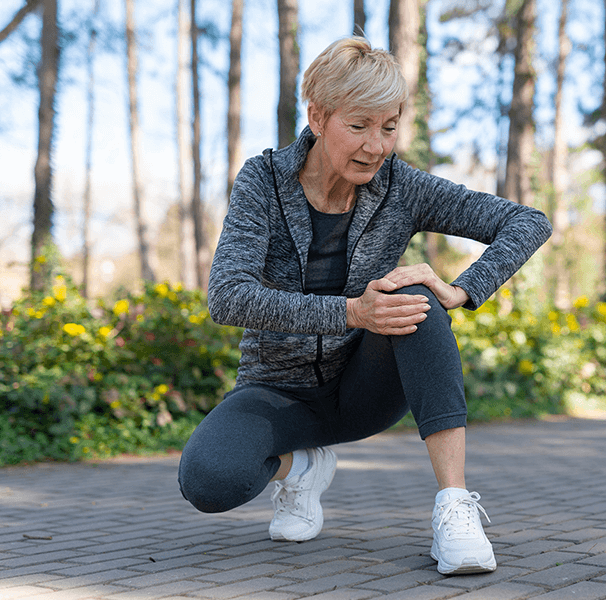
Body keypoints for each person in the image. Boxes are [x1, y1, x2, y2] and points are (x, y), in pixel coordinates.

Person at [178, 36, 552, 575]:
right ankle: (302, 469)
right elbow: (228, 296)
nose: (376, 146)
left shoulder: (403, 186)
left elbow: (527, 221)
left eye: (389, 127)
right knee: (208, 482)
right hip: (276, 392)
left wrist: (466, 288)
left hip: (363, 391)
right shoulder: (263, 181)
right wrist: (352, 311)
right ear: (318, 116)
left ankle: (454, 506)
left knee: (415, 295)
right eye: (359, 126)